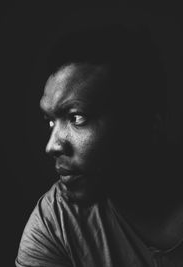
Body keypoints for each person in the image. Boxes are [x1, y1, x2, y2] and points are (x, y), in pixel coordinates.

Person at [15, 25, 183, 267]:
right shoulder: (57, 221)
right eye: (51, 121)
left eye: (77, 118)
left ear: (147, 123)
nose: (51, 146)